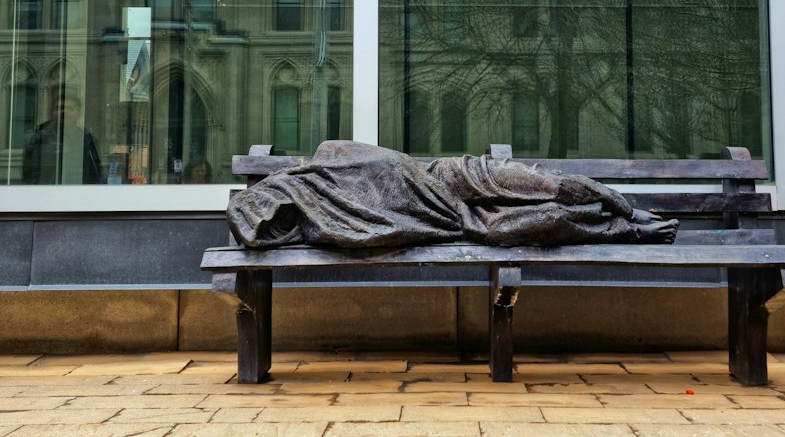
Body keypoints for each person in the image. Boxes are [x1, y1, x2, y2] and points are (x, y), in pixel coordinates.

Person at [228, 140, 677, 249]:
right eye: (276, 226)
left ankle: (627, 207)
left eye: (275, 213)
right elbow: (386, 234)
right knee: (537, 221)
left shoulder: (328, 155)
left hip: (448, 177)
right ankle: (626, 231)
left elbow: (392, 164)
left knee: (544, 184)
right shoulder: (325, 227)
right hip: (453, 221)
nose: (281, 222)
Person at [22, 91, 103, 185]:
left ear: (79, 113)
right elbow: (29, 174)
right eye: (60, 108)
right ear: (53, 112)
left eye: (71, 108)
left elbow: (95, 174)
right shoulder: (39, 138)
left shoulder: (87, 140)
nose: (65, 111)